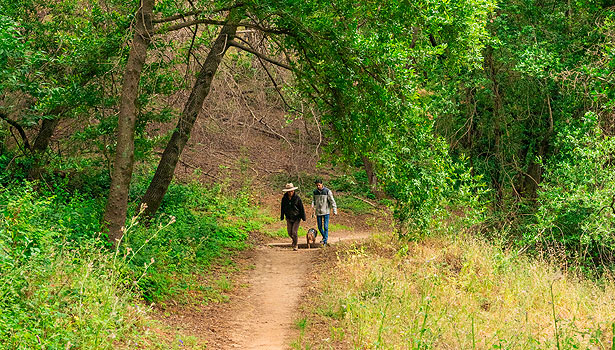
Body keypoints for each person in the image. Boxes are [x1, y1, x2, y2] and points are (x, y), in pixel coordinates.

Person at [280, 183, 306, 251]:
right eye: (289, 191)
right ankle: (294, 240)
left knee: (294, 232)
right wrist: (282, 216)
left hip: (297, 217)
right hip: (288, 217)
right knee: (289, 232)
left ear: (293, 191)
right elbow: (282, 207)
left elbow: (301, 208)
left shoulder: (297, 198)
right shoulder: (284, 198)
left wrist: (303, 217)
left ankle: (295, 245)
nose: (290, 193)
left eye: (291, 191)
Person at [311, 179, 337, 246]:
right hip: (318, 212)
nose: (318, 186)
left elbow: (332, 201)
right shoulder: (315, 192)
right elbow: (313, 201)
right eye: (317, 185)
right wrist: (312, 208)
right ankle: (324, 237)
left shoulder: (327, 191)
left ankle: (325, 241)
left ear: (322, 184)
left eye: (319, 185)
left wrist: (334, 210)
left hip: (326, 211)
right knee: (319, 227)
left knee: (326, 227)